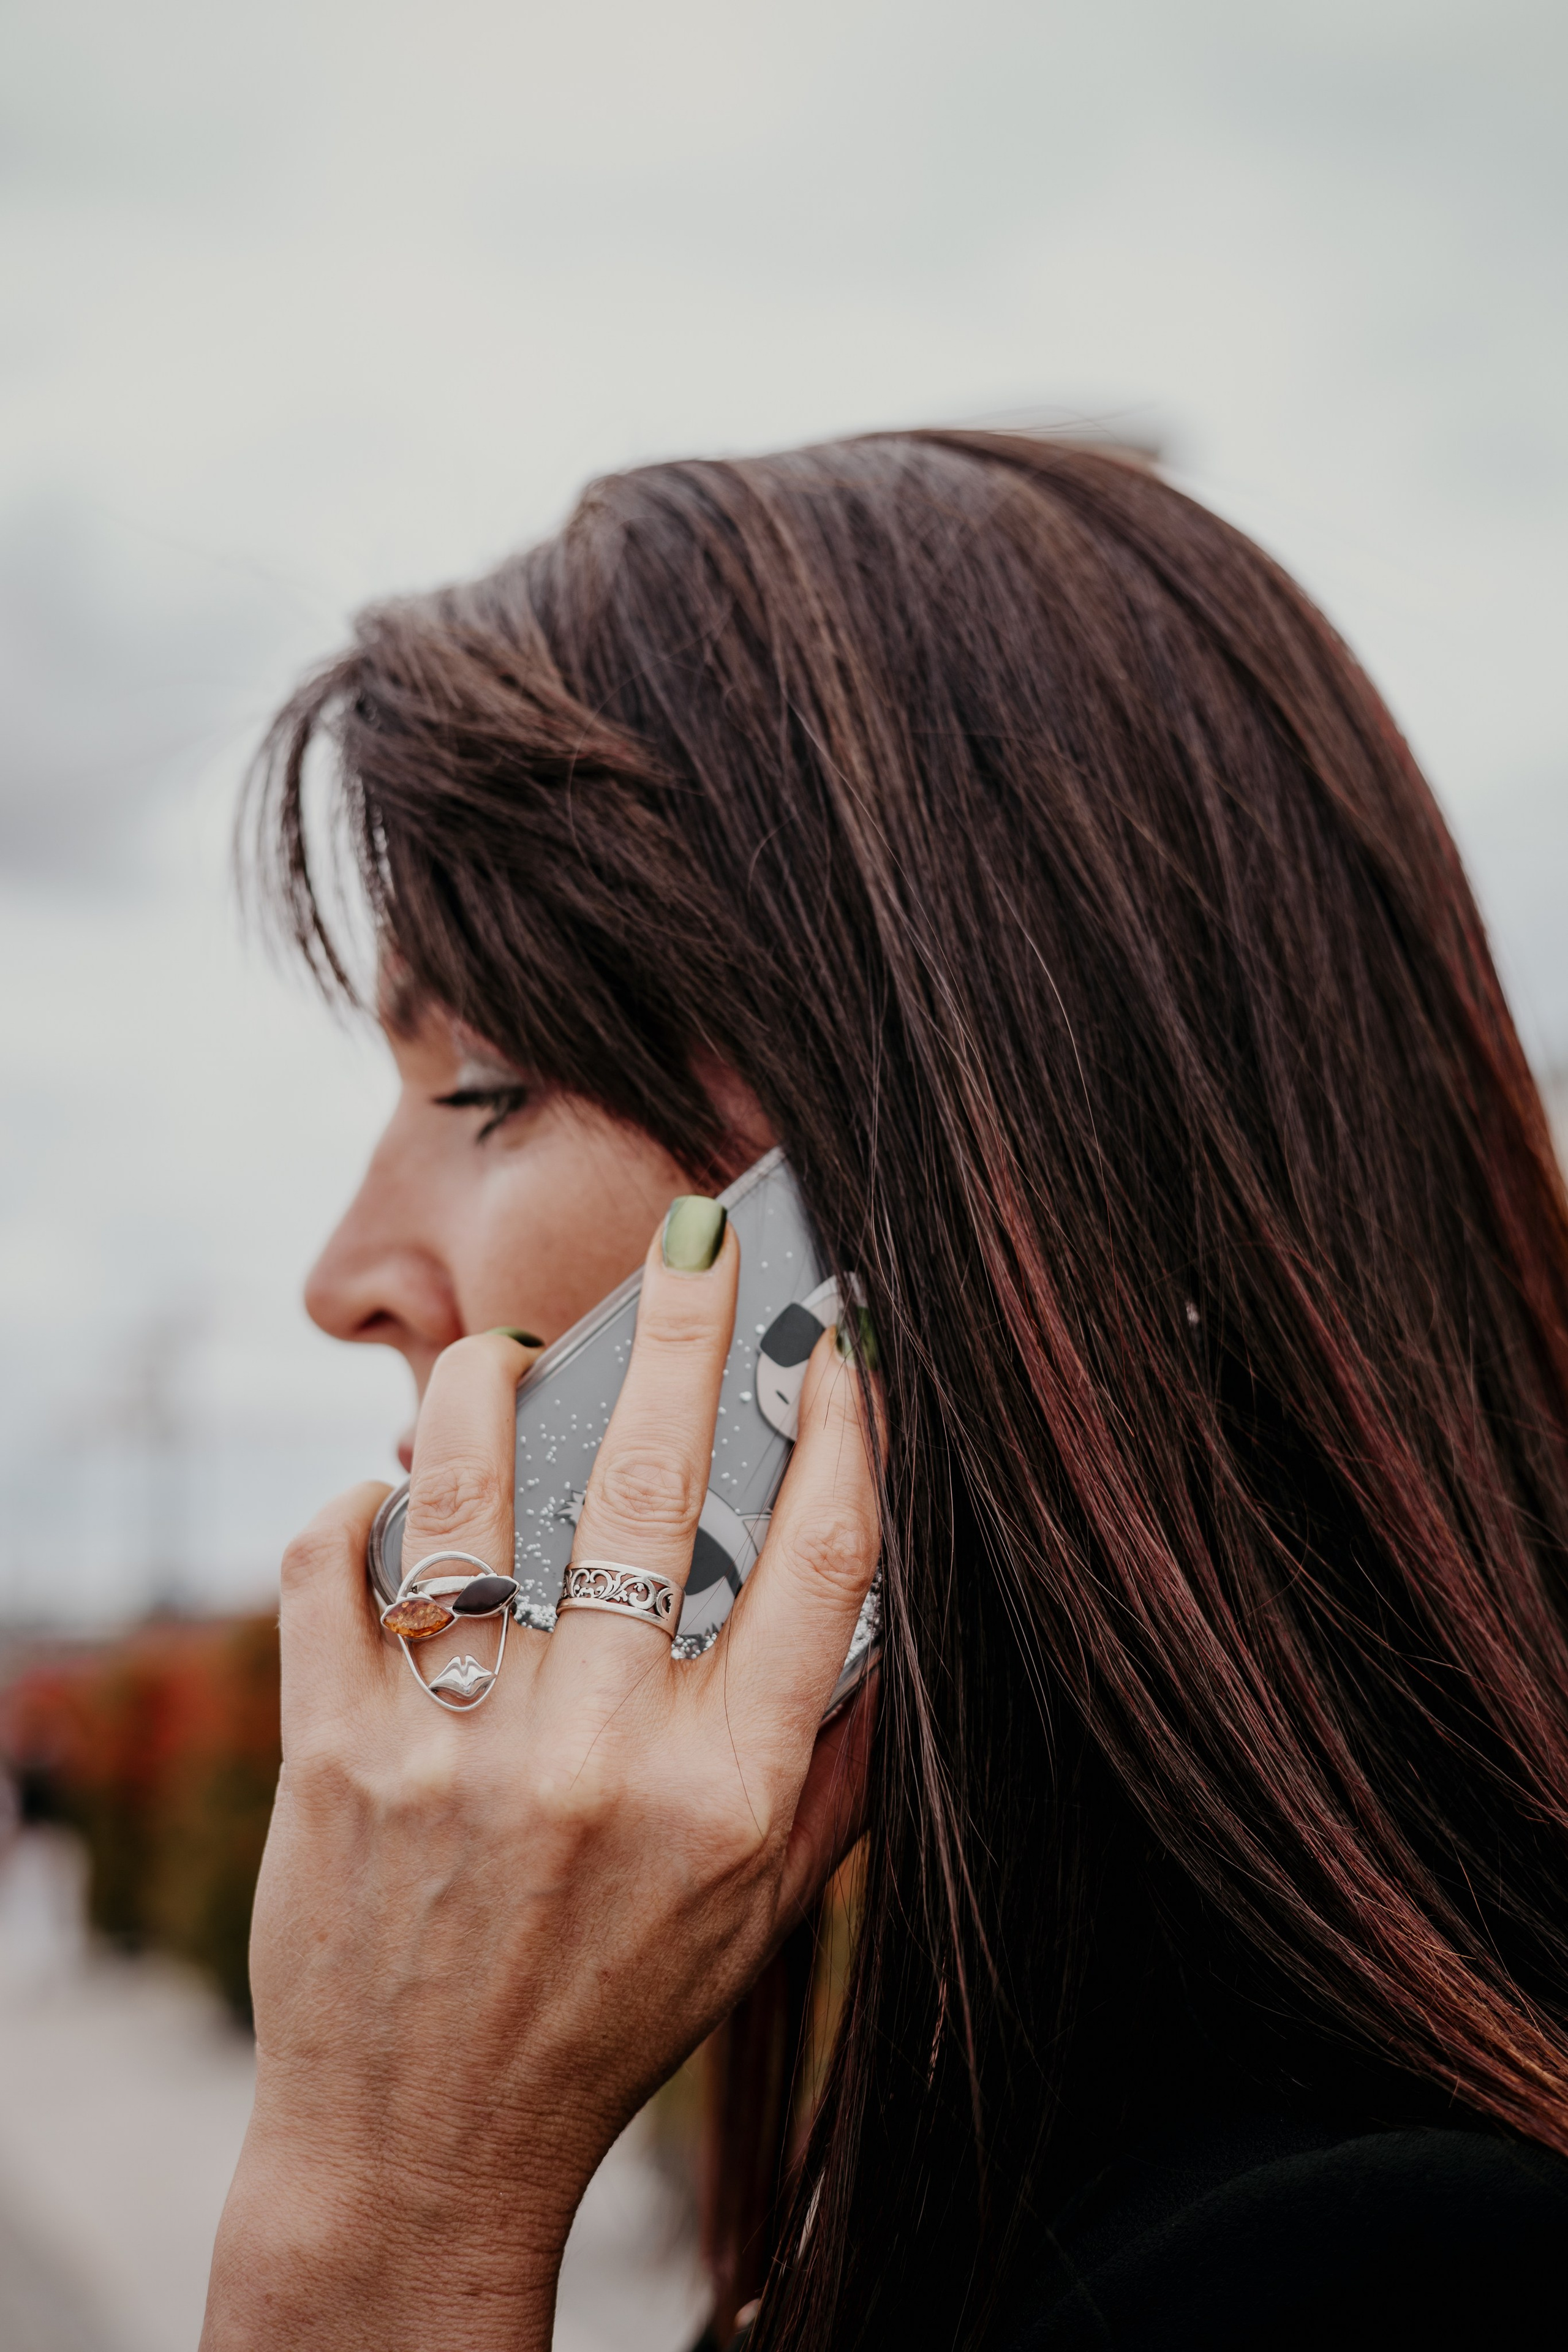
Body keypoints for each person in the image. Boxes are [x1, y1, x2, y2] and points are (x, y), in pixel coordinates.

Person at [201, 432, 1568, 2350]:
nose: (346, 1276)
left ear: (940, 1193)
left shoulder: (1381, 2273)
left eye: (489, 1082)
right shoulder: (1074, 2138)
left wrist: (383, 2215)